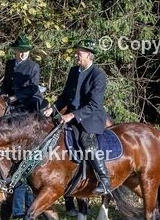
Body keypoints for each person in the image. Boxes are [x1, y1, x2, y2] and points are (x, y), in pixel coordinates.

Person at [44, 39, 113, 194]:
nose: (76, 55)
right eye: (76, 52)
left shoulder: (98, 75)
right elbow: (65, 97)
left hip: (91, 117)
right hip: (71, 115)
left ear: (88, 55)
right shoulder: (74, 71)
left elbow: (94, 105)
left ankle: (104, 179)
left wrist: (72, 115)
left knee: (85, 140)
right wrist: (52, 109)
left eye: (79, 52)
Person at [0, 36, 43, 220]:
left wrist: (15, 97)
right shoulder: (10, 64)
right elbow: (5, 85)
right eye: (19, 50)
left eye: (24, 50)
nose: (22, 53)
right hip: (11, 106)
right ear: (15, 51)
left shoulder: (33, 67)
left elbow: (33, 89)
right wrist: (3, 97)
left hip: (27, 107)